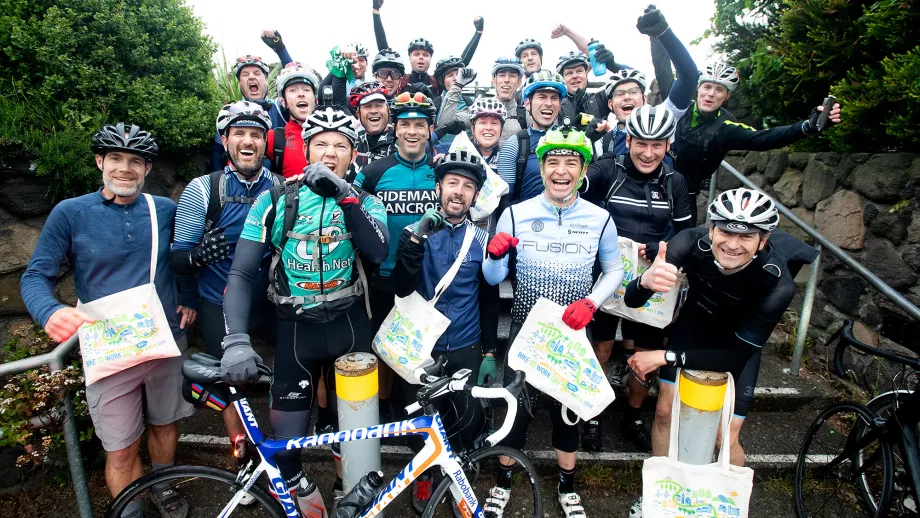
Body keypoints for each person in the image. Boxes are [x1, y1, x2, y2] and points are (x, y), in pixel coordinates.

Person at [21, 123, 197, 518]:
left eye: (135, 160)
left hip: (163, 338)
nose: (125, 168)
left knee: (166, 422)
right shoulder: (70, 213)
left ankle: (163, 484)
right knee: (119, 446)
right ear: (100, 161)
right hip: (108, 346)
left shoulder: (164, 209)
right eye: (115, 158)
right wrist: (50, 312)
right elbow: (35, 275)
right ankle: (130, 511)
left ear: (148, 168)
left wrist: (188, 299)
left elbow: (181, 260)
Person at [219, 105, 389, 506]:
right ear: (307, 151)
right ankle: (300, 491)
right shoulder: (274, 200)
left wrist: (346, 197)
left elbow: (377, 251)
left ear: (353, 155)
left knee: (353, 435)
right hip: (296, 329)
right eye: (321, 144)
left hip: (349, 326)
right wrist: (236, 338)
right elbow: (241, 275)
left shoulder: (366, 200)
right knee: (286, 438)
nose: (330, 153)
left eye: (341, 145)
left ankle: (349, 490)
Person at [623, 188, 816, 514]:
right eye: (725, 231)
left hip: (737, 345)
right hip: (694, 327)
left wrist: (664, 356)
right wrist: (644, 283)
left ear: (763, 239)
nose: (732, 243)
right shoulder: (689, 243)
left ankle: (729, 502)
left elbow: (733, 358)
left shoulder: (778, 282)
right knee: (664, 413)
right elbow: (631, 302)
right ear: (711, 228)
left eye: (746, 236)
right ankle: (658, 496)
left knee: (724, 438)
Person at [482, 126, 624, 518]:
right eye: (553, 163)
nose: (561, 171)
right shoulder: (515, 213)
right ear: (541, 168)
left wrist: (592, 302)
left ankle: (567, 486)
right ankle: (503, 482)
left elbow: (615, 270)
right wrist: (494, 258)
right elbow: (493, 279)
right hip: (526, 334)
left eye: (571, 163)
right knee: (516, 413)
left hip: (573, 333)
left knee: (567, 414)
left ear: (583, 171)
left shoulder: (599, 218)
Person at [171, 102, 281, 468]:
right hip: (218, 303)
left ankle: (284, 444)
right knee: (234, 383)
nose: (248, 141)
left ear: (266, 142)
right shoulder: (204, 189)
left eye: (256, 134)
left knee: (300, 363)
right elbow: (178, 259)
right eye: (240, 134)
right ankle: (244, 457)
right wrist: (199, 256)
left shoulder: (280, 187)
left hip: (267, 301)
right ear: (225, 140)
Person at [389, 151, 499, 512]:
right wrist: (415, 243)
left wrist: (488, 352)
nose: (459, 192)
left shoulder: (482, 241)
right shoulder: (413, 231)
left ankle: (458, 480)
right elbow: (401, 288)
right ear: (439, 187)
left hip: (464, 344)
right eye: (452, 183)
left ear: (474, 196)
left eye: (468, 186)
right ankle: (423, 478)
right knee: (417, 422)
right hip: (420, 346)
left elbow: (488, 299)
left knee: (464, 422)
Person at [581, 105, 694, 453]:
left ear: (667, 146)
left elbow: (688, 234)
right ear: (627, 140)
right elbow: (573, 190)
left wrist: (665, 250)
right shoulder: (608, 169)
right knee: (600, 349)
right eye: (640, 143)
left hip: (651, 280)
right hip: (607, 274)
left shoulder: (675, 182)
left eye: (657, 145)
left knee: (644, 355)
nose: (648, 153)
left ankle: (632, 415)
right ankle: (592, 414)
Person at [353, 90, 438, 425]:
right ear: (396, 130)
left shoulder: (441, 169)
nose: (413, 131)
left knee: (420, 350)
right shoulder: (374, 171)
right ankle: (385, 408)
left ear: (430, 130)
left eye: (420, 125)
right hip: (383, 276)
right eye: (406, 125)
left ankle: (413, 411)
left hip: (429, 278)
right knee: (383, 347)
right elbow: (352, 212)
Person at [672, 62, 842, 224]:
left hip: (684, 198)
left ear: (727, 96)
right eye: (707, 87)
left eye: (719, 89)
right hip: (651, 188)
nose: (711, 94)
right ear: (698, 88)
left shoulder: (726, 127)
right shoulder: (679, 109)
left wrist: (805, 127)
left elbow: (764, 138)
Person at [592, 6, 699, 159]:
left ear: (645, 99)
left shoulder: (663, 119)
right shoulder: (602, 143)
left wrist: (664, 32)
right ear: (610, 105)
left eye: (634, 91)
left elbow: (689, 78)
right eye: (620, 94)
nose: (627, 96)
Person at [210, 31, 295, 170]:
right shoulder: (229, 112)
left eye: (257, 73)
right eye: (245, 74)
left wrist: (280, 49)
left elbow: (295, 81)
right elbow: (217, 153)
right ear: (239, 83)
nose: (251, 77)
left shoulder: (279, 106)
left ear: (266, 80)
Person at [371, 0, 484, 94]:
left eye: (425, 55)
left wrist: (478, 33)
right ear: (409, 58)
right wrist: (376, 13)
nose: (421, 57)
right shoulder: (401, 79)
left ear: (430, 59)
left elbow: (461, 63)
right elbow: (384, 53)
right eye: (416, 54)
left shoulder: (436, 82)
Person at [496, 70, 567, 205]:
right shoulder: (514, 145)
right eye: (542, 97)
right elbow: (505, 200)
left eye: (554, 98)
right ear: (528, 104)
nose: (548, 103)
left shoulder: (571, 141)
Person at [265, 63, 319, 178]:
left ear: (316, 100)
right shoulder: (273, 138)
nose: (301, 94)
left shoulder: (331, 134)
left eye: (306, 90)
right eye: (293, 90)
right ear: (283, 102)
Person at [348, 81, 396, 171]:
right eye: (367, 106)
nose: (373, 111)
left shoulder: (400, 142)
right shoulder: (351, 143)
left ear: (389, 110)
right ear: (358, 114)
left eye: (379, 106)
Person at [430, 60, 477, 146]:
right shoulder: (436, 102)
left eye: (458, 74)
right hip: (439, 151)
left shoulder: (471, 102)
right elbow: (444, 124)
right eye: (450, 75)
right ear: (442, 81)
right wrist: (457, 86)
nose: (456, 78)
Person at [490, 57, 527, 139]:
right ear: (494, 81)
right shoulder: (478, 110)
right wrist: (458, 86)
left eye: (512, 76)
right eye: (502, 75)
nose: (506, 80)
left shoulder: (526, 115)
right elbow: (454, 125)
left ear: (519, 83)